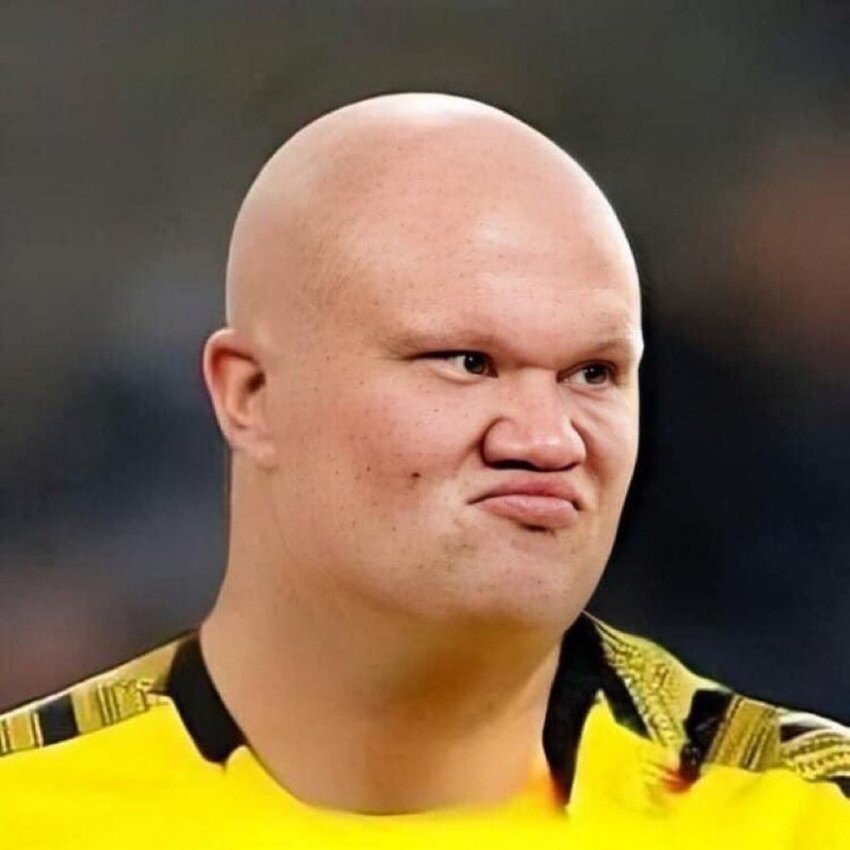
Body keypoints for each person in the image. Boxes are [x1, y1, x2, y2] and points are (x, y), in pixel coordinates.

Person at [1, 93, 847, 848]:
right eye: (467, 362)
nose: (547, 441)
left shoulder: (805, 819)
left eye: (593, 374)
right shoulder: (29, 811)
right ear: (251, 395)